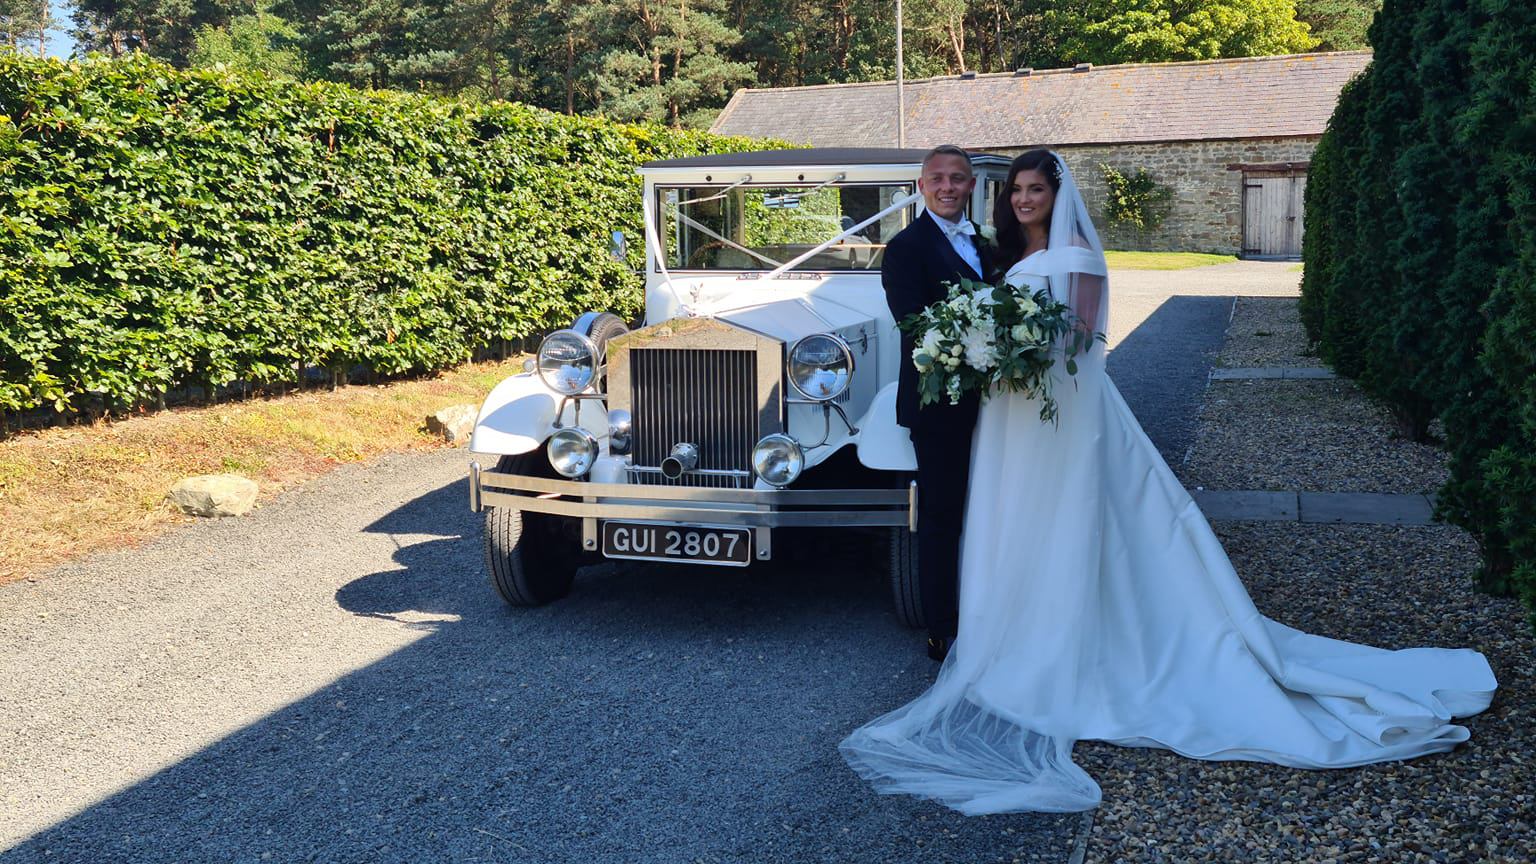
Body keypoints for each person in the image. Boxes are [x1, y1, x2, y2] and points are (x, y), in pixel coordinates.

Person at [841, 150, 1498, 815]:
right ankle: (971, 627)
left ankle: (1069, 630)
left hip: (1054, 412)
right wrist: (996, 346)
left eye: (1033, 189)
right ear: (928, 187)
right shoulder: (937, 250)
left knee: (1070, 517)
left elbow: (1080, 343)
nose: (1022, 199)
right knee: (994, 518)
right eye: (1016, 190)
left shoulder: (1040, 253)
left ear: (1053, 193)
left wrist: (1018, 349)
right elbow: (924, 324)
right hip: (998, 414)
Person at [882, 145, 995, 662]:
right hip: (938, 405)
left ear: (972, 185)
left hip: (997, 404)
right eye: (938, 179)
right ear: (921, 186)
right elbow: (913, 323)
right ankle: (942, 626)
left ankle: (993, 607)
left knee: (995, 503)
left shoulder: (989, 244)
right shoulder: (905, 247)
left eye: (958, 179)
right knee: (941, 513)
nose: (947, 187)